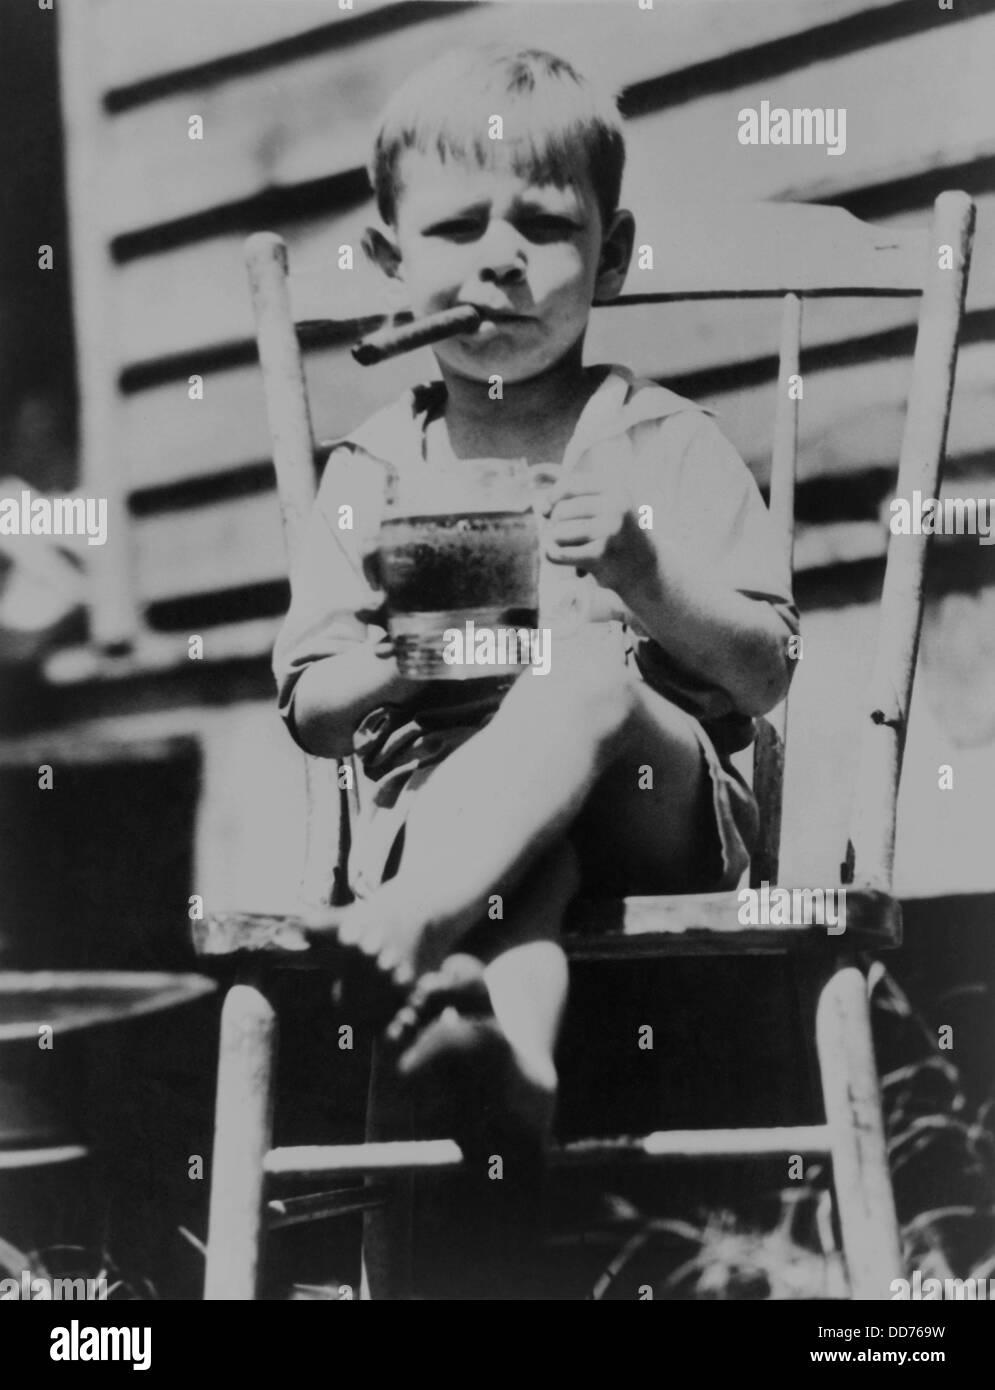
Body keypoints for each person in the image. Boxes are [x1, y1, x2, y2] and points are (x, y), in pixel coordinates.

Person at [272, 44, 799, 1164]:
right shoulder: (374, 469)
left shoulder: (660, 440)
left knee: (582, 678)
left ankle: (413, 926)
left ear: (609, 258)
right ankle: (514, 1061)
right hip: (457, 810)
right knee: (522, 874)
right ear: (388, 259)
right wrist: (421, 649)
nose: (499, 261)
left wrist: (643, 576)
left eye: (544, 227)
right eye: (457, 229)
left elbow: (762, 674)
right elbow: (317, 708)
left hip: (657, 808)